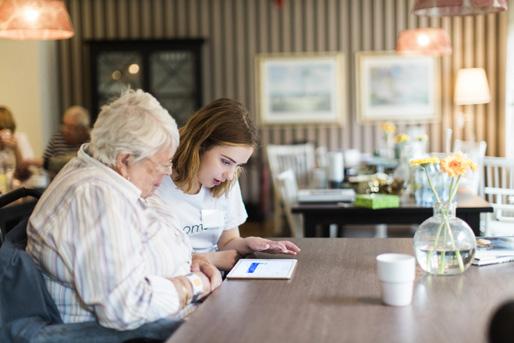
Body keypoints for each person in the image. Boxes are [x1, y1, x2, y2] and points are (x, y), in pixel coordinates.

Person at [27, 90, 222, 330]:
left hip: (174, 317)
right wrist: (192, 285)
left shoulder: (116, 178)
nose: (168, 172)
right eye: (162, 164)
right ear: (124, 159)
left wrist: (192, 262)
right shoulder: (95, 196)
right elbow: (125, 307)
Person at [154, 98, 300, 270]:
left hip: (214, 279)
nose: (230, 175)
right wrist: (211, 259)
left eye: (237, 165)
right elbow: (153, 258)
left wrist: (249, 243)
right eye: (225, 161)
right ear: (199, 145)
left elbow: (227, 242)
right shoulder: (155, 181)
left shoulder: (224, 181)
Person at [42, 105, 91, 176]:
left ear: (82, 130)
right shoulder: (57, 138)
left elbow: (78, 162)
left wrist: (49, 164)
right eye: (64, 125)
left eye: (70, 127)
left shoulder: (91, 142)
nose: (65, 130)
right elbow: (43, 163)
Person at [0, 106, 37, 185]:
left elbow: (25, 172)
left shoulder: (20, 139)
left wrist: (16, 149)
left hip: (20, 190)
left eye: (3, 129)